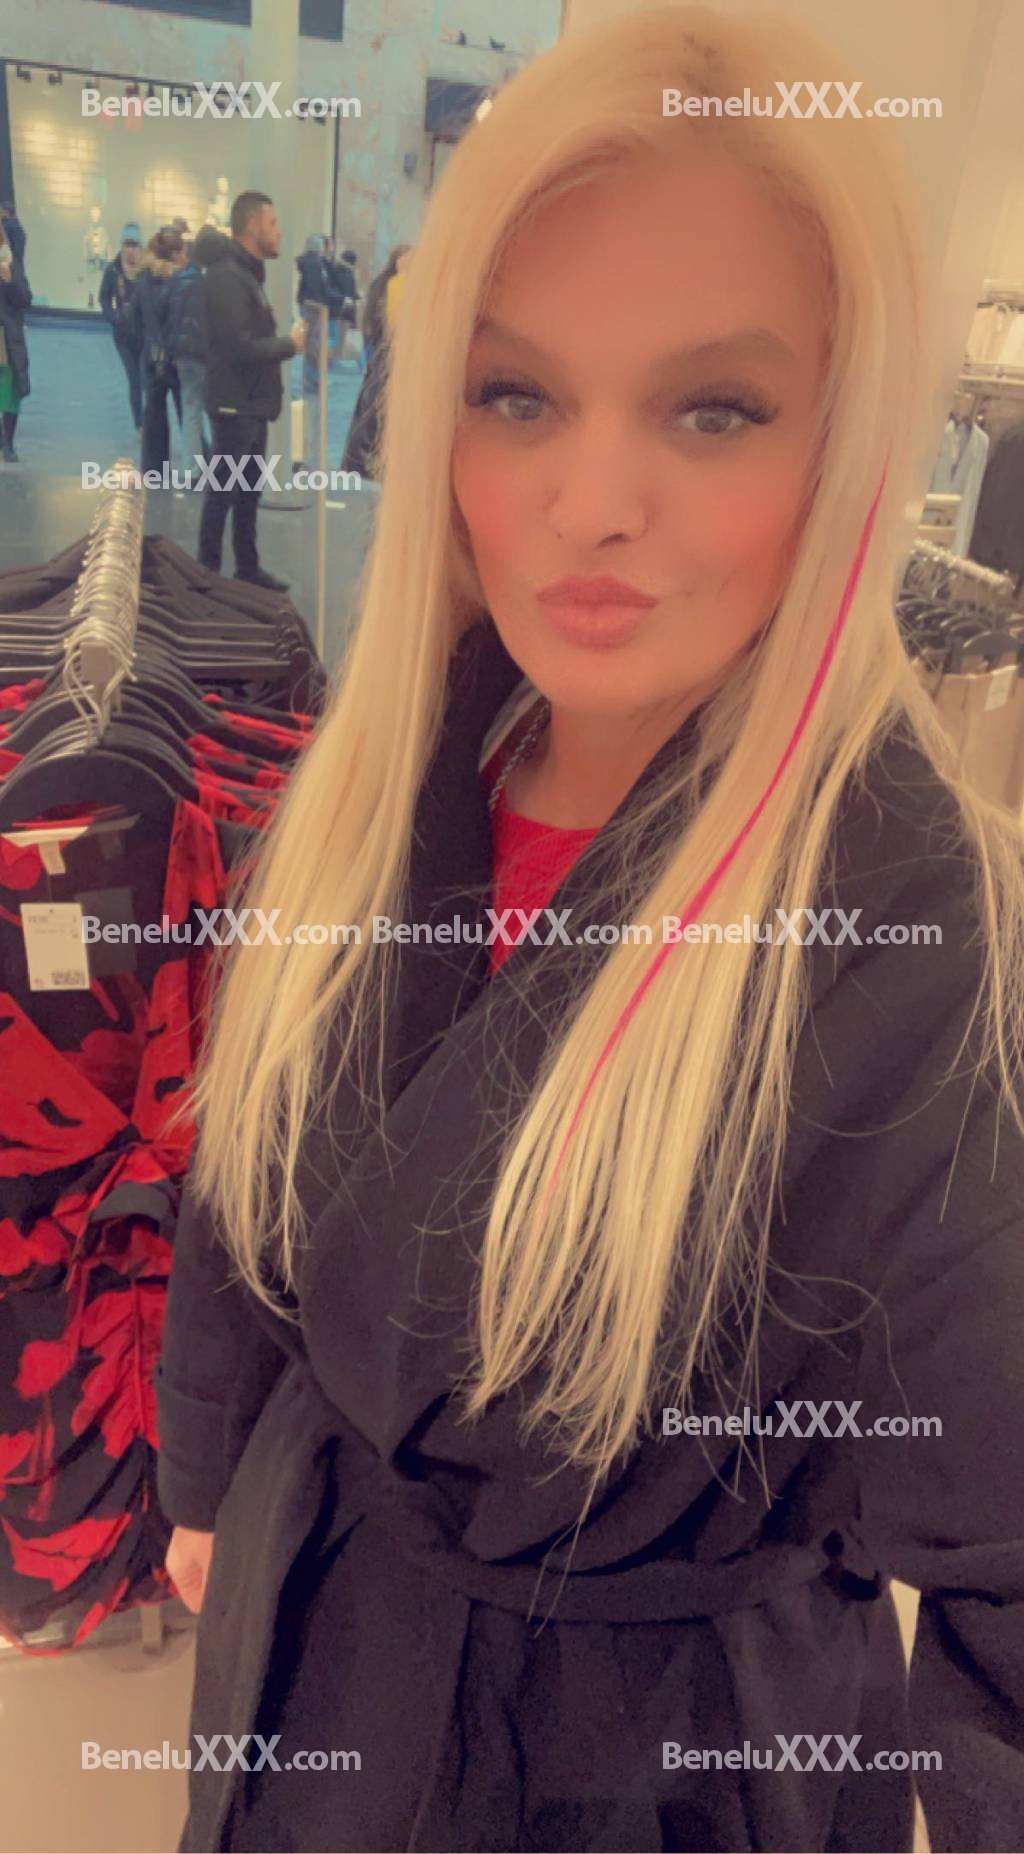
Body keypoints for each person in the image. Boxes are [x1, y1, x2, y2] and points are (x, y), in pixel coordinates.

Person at [158, 10, 1024, 1854]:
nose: (592, 505)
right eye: (516, 392)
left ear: (842, 443)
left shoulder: (904, 935)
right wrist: (210, 1469)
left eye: (713, 410)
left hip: (653, 1764)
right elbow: (248, 1177)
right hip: (316, 1647)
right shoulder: (384, 778)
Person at [197, 189, 306, 590]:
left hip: (251, 405)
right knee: (223, 492)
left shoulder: (245, 275)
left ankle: (247, 565)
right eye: (273, 223)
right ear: (253, 225)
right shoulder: (228, 277)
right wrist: (289, 345)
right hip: (234, 405)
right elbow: (238, 346)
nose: (279, 231)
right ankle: (205, 574)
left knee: (247, 492)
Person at [339, 242, 410, 479]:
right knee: (375, 405)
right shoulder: (395, 284)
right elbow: (392, 322)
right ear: (398, 260)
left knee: (372, 402)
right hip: (386, 352)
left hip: (381, 350)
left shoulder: (386, 283)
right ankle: (363, 459)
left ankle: (360, 459)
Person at [131, 225, 187, 474]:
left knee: (154, 416)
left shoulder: (143, 278)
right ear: (175, 255)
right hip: (178, 356)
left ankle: (154, 470)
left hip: (152, 356)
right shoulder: (181, 281)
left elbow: (133, 317)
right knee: (189, 415)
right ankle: (200, 469)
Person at [163, 231, 214, 479]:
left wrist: (172, 348)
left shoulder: (177, 280)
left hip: (183, 354)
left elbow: (167, 315)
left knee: (190, 408)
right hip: (205, 355)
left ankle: (191, 469)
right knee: (213, 411)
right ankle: (217, 467)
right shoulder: (210, 284)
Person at [99, 222, 145, 433]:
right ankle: (140, 424)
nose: (131, 250)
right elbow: (104, 297)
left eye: (135, 245)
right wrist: (113, 318)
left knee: (146, 380)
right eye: (127, 245)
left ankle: (147, 421)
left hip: (145, 334)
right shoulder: (113, 269)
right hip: (123, 336)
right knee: (134, 379)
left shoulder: (147, 270)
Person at [0, 235, 30, 463]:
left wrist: (10, 281)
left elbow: (25, 299)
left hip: (7, 338)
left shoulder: (11, 262)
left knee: (10, 392)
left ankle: (8, 443)